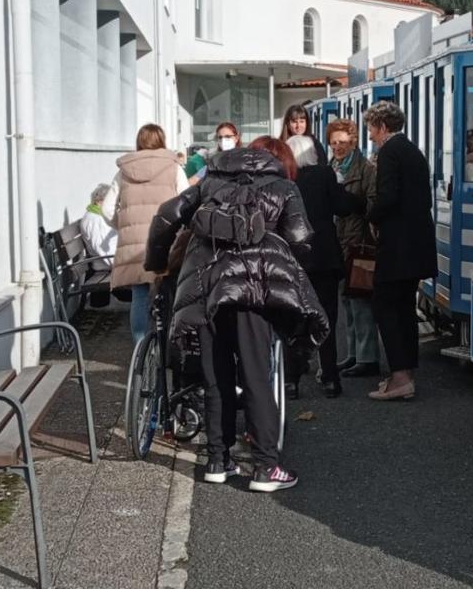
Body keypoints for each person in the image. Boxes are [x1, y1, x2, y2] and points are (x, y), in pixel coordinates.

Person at [145, 136, 327, 492]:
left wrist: (157, 263)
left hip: (206, 288)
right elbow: (301, 237)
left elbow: (166, 216)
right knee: (257, 376)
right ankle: (265, 468)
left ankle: (217, 459)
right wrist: (289, 268)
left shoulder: (209, 183)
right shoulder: (283, 187)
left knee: (216, 377)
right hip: (256, 293)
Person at [365, 101, 437, 401]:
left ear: (383, 127)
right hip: (417, 244)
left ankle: (400, 376)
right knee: (405, 309)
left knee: (385, 307)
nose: (370, 136)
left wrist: (371, 215)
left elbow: (388, 197)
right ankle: (405, 372)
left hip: (397, 246)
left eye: (371, 129)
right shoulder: (411, 150)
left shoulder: (390, 152)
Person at [102, 124, 187, 345]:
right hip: (167, 238)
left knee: (139, 295)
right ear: (162, 139)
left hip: (134, 242)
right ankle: (169, 343)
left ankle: (140, 347)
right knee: (169, 289)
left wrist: (125, 225)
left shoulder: (124, 171)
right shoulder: (174, 167)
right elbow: (186, 201)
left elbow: (106, 208)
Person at [286, 134, 352, 398]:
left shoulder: (286, 181)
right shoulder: (325, 175)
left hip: (294, 257)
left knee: (293, 317)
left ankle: (291, 380)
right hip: (324, 256)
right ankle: (330, 378)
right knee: (326, 317)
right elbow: (343, 206)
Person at [327, 119, 380, 378]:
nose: (338, 147)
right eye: (334, 142)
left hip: (358, 242)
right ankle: (352, 355)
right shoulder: (330, 167)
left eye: (343, 142)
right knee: (346, 301)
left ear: (353, 142)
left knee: (361, 301)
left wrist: (352, 203)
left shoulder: (367, 168)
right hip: (337, 241)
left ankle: (367, 357)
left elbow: (373, 204)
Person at [80, 183, 117, 269]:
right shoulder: (94, 220)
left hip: (114, 256)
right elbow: (103, 249)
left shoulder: (99, 216)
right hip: (106, 263)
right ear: (99, 201)